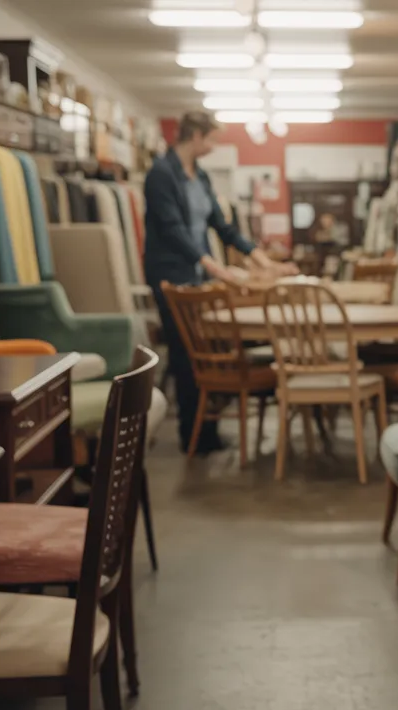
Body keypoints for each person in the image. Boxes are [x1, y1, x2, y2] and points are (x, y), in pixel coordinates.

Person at [144, 111, 293, 454]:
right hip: (171, 276)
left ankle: (205, 431)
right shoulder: (161, 175)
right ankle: (192, 436)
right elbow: (173, 230)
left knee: (207, 349)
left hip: (196, 274)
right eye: (212, 139)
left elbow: (222, 227)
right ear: (194, 135)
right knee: (186, 352)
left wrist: (259, 258)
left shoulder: (202, 178)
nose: (214, 146)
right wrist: (216, 268)